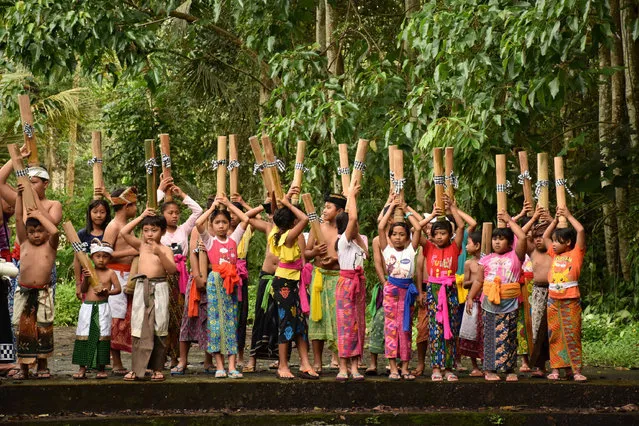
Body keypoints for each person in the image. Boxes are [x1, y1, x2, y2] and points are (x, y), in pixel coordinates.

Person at [120, 208, 177, 381]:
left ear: (163, 231)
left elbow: (172, 270)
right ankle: (137, 368)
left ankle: (157, 368)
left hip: (159, 287)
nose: (150, 234)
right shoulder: (141, 246)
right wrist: (142, 216)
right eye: (146, 230)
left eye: (154, 230)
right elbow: (124, 232)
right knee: (138, 326)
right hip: (141, 287)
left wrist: (160, 254)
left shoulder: (165, 249)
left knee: (160, 326)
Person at [195, 196, 248, 379]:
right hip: (215, 282)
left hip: (231, 283)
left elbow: (246, 219)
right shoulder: (209, 241)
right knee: (216, 323)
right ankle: (219, 365)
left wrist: (228, 204)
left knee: (231, 322)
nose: (221, 226)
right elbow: (198, 223)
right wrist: (212, 210)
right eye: (217, 222)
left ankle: (232, 366)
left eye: (224, 222)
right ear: (213, 224)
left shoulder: (234, 239)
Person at [11, 183, 59, 379]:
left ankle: (42, 366)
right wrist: (20, 196)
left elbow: (55, 231)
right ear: (27, 233)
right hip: (24, 292)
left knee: (43, 328)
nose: (36, 234)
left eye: (40, 231)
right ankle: (23, 368)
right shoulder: (24, 243)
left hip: (42, 292)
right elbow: (17, 219)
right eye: (32, 231)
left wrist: (40, 215)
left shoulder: (50, 245)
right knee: (24, 330)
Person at [269, 191, 319, 380]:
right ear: (291, 223)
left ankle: (305, 363)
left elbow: (274, 213)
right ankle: (283, 365)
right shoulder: (288, 236)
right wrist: (289, 205)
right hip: (284, 282)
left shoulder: (277, 230)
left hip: (294, 281)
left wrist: (284, 201)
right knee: (286, 323)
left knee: (299, 323)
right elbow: (305, 218)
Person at [157, 179, 203, 373]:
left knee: (180, 317)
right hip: (163, 276)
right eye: (170, 213)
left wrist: (182, 195)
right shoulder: (157, 232)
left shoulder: (184, 229)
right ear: (162, 214)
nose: (174, 216)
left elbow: (198, 212)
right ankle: (164, 355)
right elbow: (148, 213)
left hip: (182, 277)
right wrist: (160, 190)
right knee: (163, 316)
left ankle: (178, 356)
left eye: (177, 213)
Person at [418, 199, 466, 382]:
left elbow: (461, 227)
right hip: (433, 290)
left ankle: (448, 368)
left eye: (443, 233)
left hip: (450, 290)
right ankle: (436, 367)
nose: (439, 237)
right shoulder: (429, 247)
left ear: (450, 235)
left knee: (451, 329)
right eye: (436, 233)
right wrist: (431, 215)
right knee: (435, 330)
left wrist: (452, 208)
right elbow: (416, 229)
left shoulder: (455, 248)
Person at [479, 210, 527, 382]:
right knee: (490, 335)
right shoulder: (485, 259)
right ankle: (490, 370)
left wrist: (509, 220)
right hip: (489, 302)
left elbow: (522, 238)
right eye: (495, 239)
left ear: (509, 242)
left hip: (510, 301)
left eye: (501, 239)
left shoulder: (515, 256)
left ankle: (508, 369)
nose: (497, 242)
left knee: (509, 335)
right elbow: (479, 281)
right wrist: (471, 297)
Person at [377, 196, 422, 380]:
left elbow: (418, 227)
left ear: (407, 237)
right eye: (394, 234)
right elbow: (381, 226)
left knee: (406, 329)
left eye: (402, 234)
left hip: (407, 293)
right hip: (391, 291)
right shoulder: (386, 250)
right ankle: (393, 367)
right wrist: (392, 206)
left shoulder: (411, 250)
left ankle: (405, 367)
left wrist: (405, 208)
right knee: (391, 329)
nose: (397, 237)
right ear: (390, 236)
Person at [542, 206, 587, 381]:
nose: (552, 243)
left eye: (557, 241)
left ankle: (575, 371)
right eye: (553, 241)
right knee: (554, 335)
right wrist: (555, 220)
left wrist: (568, 215)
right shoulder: (553, 254)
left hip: (571, 300)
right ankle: (556, 369)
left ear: (568, 242)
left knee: (572, 334)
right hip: (553, 301)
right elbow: (545, 237)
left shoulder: (576, 253)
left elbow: (581, 230)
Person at [304, 193, 346, 372]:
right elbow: (305, 254)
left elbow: (354, 253)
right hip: (319, 276)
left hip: (338, 277)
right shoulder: (317, 227)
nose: (324, 210)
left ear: (340, 211)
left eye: (329, 207)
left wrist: (335, 258)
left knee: (339, 318)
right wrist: (314, 252)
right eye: (325, 206)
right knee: (317, 319)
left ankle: (339, 359)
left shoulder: (345, 229)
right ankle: (317, 361)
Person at [102, 187, 139, 375]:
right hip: (117, 275)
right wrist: (132, 252)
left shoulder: (128, 225)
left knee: (129, 318)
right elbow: (104, 256)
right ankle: (116, 362)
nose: (137, 207)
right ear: (127, 205)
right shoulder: (113, 226)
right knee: (116, 318)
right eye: (134, 204)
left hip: (130, 276)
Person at [72, 240, 121, 379]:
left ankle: (101, 367)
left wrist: (108, 292)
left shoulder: (111, 273)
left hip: (103, 307)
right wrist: (86, 279)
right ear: (92, 257)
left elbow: (118, 289)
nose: (101, 259)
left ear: (110, 258)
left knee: (102, 335)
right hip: (87, 307)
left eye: (105, 256)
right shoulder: (89, 271)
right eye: (98, 256)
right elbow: (82, 290)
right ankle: (82, 368)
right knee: (84, 334)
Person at [245, 200, 283, 372]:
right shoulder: (269, 228)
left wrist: (286, 201)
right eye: (271, 214)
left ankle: (280, 360)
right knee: (261, 317)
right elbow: (245, 217)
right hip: (266, 278)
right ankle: (252, 360)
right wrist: (263, 206)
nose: (272, 216)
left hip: (284, 280)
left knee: (281, 320)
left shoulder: (292, 232)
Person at [335, 185, 368, 381]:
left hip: (359, 285)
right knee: (345, 326)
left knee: (358, 325)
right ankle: (343, 366)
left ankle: (355, 366)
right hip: (346, 284)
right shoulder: (342, 242)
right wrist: (351, 196)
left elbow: (368, 254)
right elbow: (353, 218)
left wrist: (359, 240)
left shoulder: (357, 242)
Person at [521, 205, 552, 377]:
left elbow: (565, 235)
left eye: (543, 236)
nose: (540, 239)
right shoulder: (532, 251)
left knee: (555, 329)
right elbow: (521, 236)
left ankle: (559, 366)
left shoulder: (555, 251)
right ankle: (539, 366)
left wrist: (551, 220)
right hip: (538, 292)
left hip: (555, 291)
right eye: (537, 236)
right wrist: (533, 219)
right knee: (537, 329)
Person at [229, 196, 253, 368]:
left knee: (241, 317)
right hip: (225, 276)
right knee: (227, 315)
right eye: (228, 212)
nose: (231, 216)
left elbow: (255, 217)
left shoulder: (246, 230)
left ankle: (240, 355)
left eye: (233, 213)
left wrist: (243, 205)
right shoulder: (219, 230)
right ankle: (225, 355)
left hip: (241, 277)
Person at [73, 198, 112, 300]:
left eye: (102, 212)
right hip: (87, 278)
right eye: (95, 212)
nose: (98, 215)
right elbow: (77, 260)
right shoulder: (82, 234)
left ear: (107, 214)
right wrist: (78, 284)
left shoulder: (109, 233)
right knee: (89, 308)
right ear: (89, 213)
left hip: (106, 278)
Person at [459, 230, 484, 377]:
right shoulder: (469, 263)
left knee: (484, 333)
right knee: (471, 333)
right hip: (473, 300)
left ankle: (485, 363)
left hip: (485, 300)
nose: (466, 247)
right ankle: (474, 366)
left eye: (468, 243)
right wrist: (476, 282)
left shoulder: (487, 261)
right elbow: (465, 283)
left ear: (478, 245)